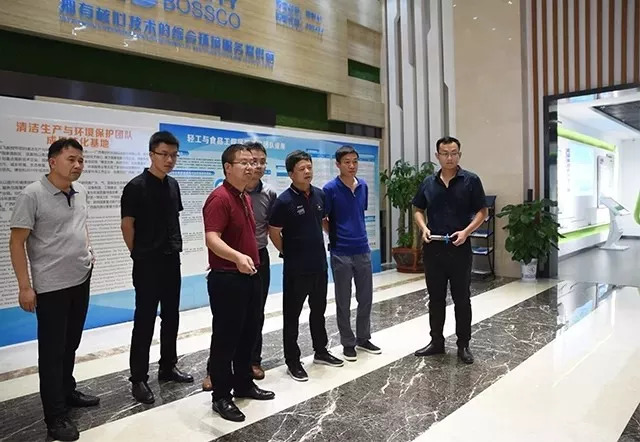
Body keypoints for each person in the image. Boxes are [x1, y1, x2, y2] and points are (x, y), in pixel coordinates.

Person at [9, 138, 99, 441]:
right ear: (52, 161)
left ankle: (67, 391)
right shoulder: (32, 195)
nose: (77, 165)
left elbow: (81, 224)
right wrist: (25, 287)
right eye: (71, 159)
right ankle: (55, 416)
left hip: (80, 278)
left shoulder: (80, 190)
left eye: (81, 160)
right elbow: (16, 243)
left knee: (70, 343)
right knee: (51, 353)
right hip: (51, 287)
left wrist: (88, 250)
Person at [203, 144, 275, 422]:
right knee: (226, 339)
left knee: (249, 332)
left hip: (250, 275)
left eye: (252, 162)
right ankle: (221, 396)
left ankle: (244, 383)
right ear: (227, 168)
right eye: (243, 163)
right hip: (227, 278)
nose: (250, 167)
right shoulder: (219, 198)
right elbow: (212, 238)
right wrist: (236, 257)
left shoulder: (243, 196)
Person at [121, 131, 193, 405]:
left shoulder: (173, 185)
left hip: (171, 259)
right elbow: (127, 225)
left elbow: (173, 219)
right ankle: (138, 378)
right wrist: (138, 254)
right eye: (164, 154)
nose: (169, 160)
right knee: (145, 319)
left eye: (174, 155)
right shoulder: (135, 187)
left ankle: (167, 366)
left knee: (171, 316)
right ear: (151, 154)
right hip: (147, 262)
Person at [269, 150, 344, 383]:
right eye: (302, 168)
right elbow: (274, 231)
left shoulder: (320, 195)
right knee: (292, 316)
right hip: (296, 269)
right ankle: (293, 360)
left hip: (319, 265)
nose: (307, 171)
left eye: (309, 167)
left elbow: (322, 220)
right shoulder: (283, 201)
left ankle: (321, 351)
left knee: (318, 311)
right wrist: (287, 252)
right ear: (291, 173)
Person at [412, 136, 488, 364]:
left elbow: (483, 212)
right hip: (434, 249)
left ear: (459, 155)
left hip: (459, 249)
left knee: (461, 298)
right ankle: (436, 341)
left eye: (454, 153)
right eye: (445, 153)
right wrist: (424, 228)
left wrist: (466, 232)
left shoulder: (471, 181)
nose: (449, 158)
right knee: (435, 298)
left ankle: (463, 345)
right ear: (437, 156)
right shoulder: (428, 183)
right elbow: (418, 209)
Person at [323, 146, 381, 362]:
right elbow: (324, 218)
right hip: (341, 251)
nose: (352, 165)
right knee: (343, 299)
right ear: (338, 164)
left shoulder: (363, 185)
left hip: (362, 249)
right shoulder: (330, 189)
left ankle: (363, 338)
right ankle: (348, 342)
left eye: (355, 161)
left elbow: (359, 213)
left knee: (365, 297)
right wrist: (336, 235)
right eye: (347, 162)